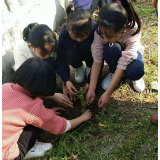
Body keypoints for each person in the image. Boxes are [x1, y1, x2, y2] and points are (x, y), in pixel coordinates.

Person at [2, 57, 92, 160]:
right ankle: (26, 151)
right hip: (5, 154)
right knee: (36, 125)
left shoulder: (6, 86)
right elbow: (63, 126)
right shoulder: (34, 109)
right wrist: (84, 117)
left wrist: (46, 113)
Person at [86, 0, 145, 108]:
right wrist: (91, 89)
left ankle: (132, 78)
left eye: (109, 36)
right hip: (114, 51)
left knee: (136, 70)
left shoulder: (132, 29)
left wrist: (108, 93)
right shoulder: (102, 30)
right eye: (103, 35)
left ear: (123, 29)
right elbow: (97, 59)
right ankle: (114, 72)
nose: (105, 38)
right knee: (111, 48)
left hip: (130, 55)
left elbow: (124, 61)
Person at [13, 23, 73, 108]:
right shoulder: (20, 50)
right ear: (31, 46)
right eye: (43, 53)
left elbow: (60, 63)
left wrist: (65, 82)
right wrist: (53, 96)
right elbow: (23, 84)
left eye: (51, 51)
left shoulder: (48, 40)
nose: (48, 55)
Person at [57, 4, 97, 100]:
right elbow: (61, 57)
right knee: (68, 53)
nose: (79, 39)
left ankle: (89, 66)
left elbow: (99, 57)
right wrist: (66, 80)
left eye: (83, 36)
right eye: (74, 36)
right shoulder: (64, 33)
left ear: (89, 29)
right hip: (74, 53)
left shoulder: (95, 29)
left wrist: (90, 81)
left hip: (90, 53)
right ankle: (79, 67)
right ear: (68, 29)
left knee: (91, 49)